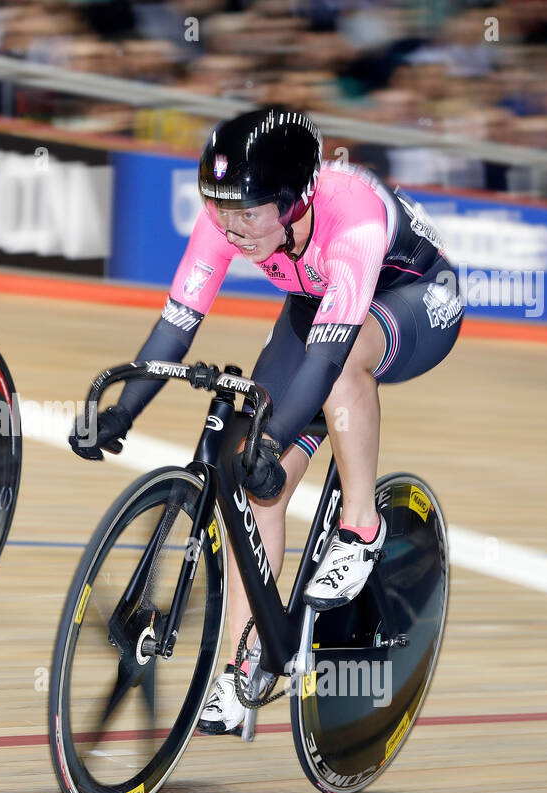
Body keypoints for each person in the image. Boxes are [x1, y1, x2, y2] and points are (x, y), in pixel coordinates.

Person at [70, 106, 464, 734]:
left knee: (334, 374)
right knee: (259, 487)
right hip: (320, 303)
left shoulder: (352, 218)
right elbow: (177, 325)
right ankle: (242, 669)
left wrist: (276, 434)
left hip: (415, 299)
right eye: (222, 209)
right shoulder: (228, 220)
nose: (234, 227)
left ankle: (362, 526)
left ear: (296, 202)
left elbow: (330, 354)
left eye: (249, 213)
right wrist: (124, 410)